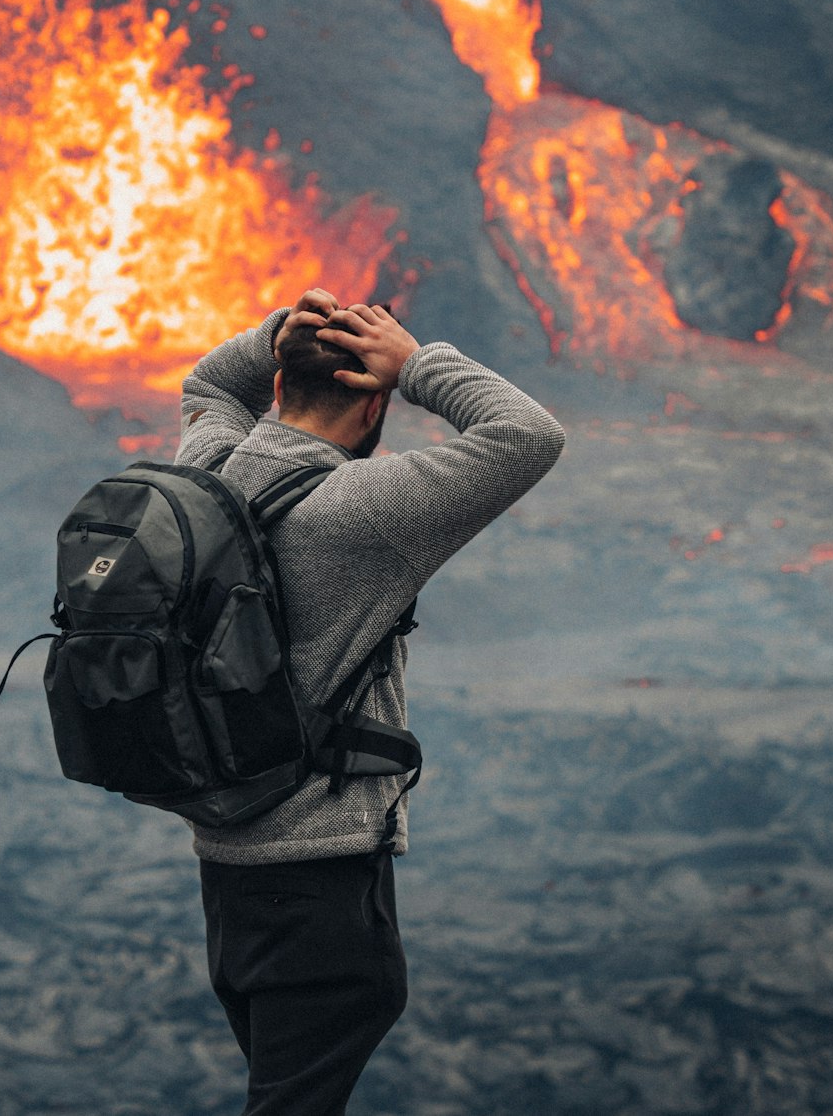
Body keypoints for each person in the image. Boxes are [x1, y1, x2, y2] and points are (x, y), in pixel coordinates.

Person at [176, 288, 565, 1115]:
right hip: (319, 872)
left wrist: (276, 335)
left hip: (227, 869)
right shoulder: (360, 511)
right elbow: (529, 435)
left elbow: (211, 387)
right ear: (375, 398)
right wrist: (418, 360)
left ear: (280, 383)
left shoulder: (202, 477)